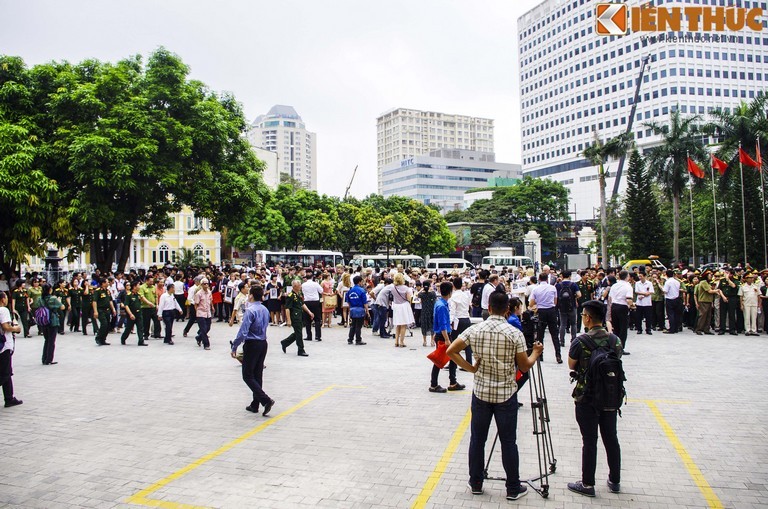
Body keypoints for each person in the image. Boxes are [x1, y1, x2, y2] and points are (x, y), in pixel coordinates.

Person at [446, 290, 543, 501]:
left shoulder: (475, 329)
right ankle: (512, 487)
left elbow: (451, 351)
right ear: (507, 310)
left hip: (481, 392)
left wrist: (470, 368)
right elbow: (524, 366)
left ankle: (476, 482)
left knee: (477, 439)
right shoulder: (513, 333)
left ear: (488, 308)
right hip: (506, 394)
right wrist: (535, 352)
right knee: (509, 441)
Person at [567, 300, 622, 498]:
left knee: (589, 440)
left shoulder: (580, 341)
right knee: (611, 438)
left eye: (583, 315)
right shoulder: (614, 340)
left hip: (586, 396)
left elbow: (572, 365)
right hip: (610, 396)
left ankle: (588, 483)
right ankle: (614, 480)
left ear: (588, 318)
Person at [231, 286, 275, 417]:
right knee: (257, 374)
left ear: (251, 296)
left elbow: (243, 331)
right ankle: (255, 404)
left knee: (247, 375)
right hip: (263, 342)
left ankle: (265, 399)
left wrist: (234, 346)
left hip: (252, 344)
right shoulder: (265, 309)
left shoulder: (250, 311)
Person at [429, 281, 465, 393]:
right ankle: (434, 385)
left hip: (442, 334)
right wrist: (447, 339)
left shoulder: (440, 303)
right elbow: (443, 324)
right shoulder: (442, 306)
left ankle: (452, 381)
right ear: (450, 292)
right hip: (444, 336)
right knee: (439, 360)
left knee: (452, 357)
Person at [529, 272, 561, 363]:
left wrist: (538, 302)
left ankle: (540, 355)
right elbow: (555, 302)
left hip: (541, 311)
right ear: (547, 279)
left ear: (539, 279)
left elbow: (531, 303)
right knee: (554, 335)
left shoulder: (536, 289)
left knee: (540, 335)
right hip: (551, 311)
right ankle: (558, 355)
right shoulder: (552, 288)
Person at [0, 291, 22, 407]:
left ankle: (9, 398)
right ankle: (9, 398)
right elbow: (5, 326)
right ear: (3, 299)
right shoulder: (3, 310)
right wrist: (16, 328)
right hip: (4, 346)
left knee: (7, 372)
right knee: (5, 374)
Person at [280, 280, 312, 357]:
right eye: (299, 285)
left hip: (300, 316)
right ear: (294, 286)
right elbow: (287, 308)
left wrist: (309, 312)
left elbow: (302, 304)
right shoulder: (290, 296)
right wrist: (288, 320)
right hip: (295, 317)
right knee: (299, 333)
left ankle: (285, 342)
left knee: (298, 332)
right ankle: (301, 350)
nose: (301, 286)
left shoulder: (298, 294)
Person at [36, 284, 66, 362]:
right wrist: (59, 301)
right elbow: (62, 307)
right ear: (50, 290)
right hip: (53, 320)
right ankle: (49, 359)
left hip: (43, 320)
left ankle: (44, 358)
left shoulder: (40, 299)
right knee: (51, 341)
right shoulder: (53, 299)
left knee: (46, 340)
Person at [607, 270, 634, 354]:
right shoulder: (628, 286)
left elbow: (610, 298)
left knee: (616, 328)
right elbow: (628, 299)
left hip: (614, 306)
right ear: (627, 277)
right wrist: (632, 305)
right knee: (623, 329)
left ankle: (614, 346)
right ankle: (621, 348)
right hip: (622, 307)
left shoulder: (615, 285)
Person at [555, 270, 581, 348]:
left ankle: (561, 341)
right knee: (573, 324)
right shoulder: (573, 285)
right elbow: (579, 294)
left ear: (562, 276)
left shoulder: (558, 285)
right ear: (570, 276)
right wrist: (574, 297)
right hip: (572, 306)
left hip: (562, 307)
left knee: (562, 324)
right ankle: (573, 339)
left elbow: (556, 296)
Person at [391, 273, 414, 348]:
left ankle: (396, 341)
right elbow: (409, 298)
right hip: (404, 306)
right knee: (404, 325)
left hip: (396, 306)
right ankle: (402, 342)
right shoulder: (406, 288)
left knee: (398, 324)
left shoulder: (393, 288)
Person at [345, 275, 368, 345]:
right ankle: (358, 339)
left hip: (352, 309)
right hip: (360, 309)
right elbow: (365, 302)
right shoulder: (362, 290)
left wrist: (350, 308)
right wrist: (367, 310)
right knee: (359, 326)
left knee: (353, 325)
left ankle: (350, 339)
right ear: (359, 282)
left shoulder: (350, 290)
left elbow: (348, 301)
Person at [92, 278, 116, 346]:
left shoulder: (108, 291)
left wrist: (113, 309)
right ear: (103, 283)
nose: (108, 283)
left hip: (107, 310)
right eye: (107, 282)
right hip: (100, 310)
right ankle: (98, 338)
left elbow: (110, 300)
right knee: (104, 324)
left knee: (108, 325)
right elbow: (94, 301)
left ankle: (103, 339)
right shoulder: (98, 291)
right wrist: (95, 311)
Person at [301, 274, 324, 342]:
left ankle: (309, 336)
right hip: (315, 301)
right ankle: (318, 336)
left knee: (307, 320)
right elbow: (321, 291)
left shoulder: (303, 285)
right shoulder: (315, 284)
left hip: (307, 302)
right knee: (317, 319)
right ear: (312, 277)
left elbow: (302, 292)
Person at [694, 271, 717, 335]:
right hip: (703, 301)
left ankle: (706, 329)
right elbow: (709, 291)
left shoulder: (708, 283)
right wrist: (717, 291)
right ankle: (699, 329)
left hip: (708, 301)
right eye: (710, 275)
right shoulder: (703, 282)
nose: (711, 276)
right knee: (703, 316)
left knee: (708, 316)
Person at [139, 275, 161, 340]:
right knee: (146, 322)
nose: (152, 282)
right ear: (147, 281)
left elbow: (156, 296)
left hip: (153, 307)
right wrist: (148, 303)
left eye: (152, 281)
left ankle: (157, 334)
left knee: (157, 320)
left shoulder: (154, 287)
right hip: (145, 307)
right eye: (150, 281)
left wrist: (157, 304)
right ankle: (145, 334)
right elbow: (142, 297)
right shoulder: (142, 287)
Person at [194, 278, 214, 350]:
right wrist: (197, 312)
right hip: (201, 313)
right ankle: (206, 344)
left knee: (208, 327)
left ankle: (199, 337)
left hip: (208, 312)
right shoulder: (198, 294)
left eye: (207, 284)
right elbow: (196, 304)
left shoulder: (209, 292)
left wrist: (212, 307)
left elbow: (211, 300)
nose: (206, 285)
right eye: (204, 284)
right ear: (201, 285)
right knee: (203, 329)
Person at [662, 269, 682, 334]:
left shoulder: (667, 282)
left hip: (669, 299)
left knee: (670, 314)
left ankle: (672, 329)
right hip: (677, 298)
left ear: (666, 275)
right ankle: (676, 328)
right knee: (676, 314)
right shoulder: (677, 282)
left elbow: (665, 291)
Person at [418, 281, 436, 347]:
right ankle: (432, 341)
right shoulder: (432, 293)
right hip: (431, 311)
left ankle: (424, 341)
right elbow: (435, 297)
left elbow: (417, 294)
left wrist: (422, 289)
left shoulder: (421, 294)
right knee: (432, 325)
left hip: (424, 311)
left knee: (424, 326)